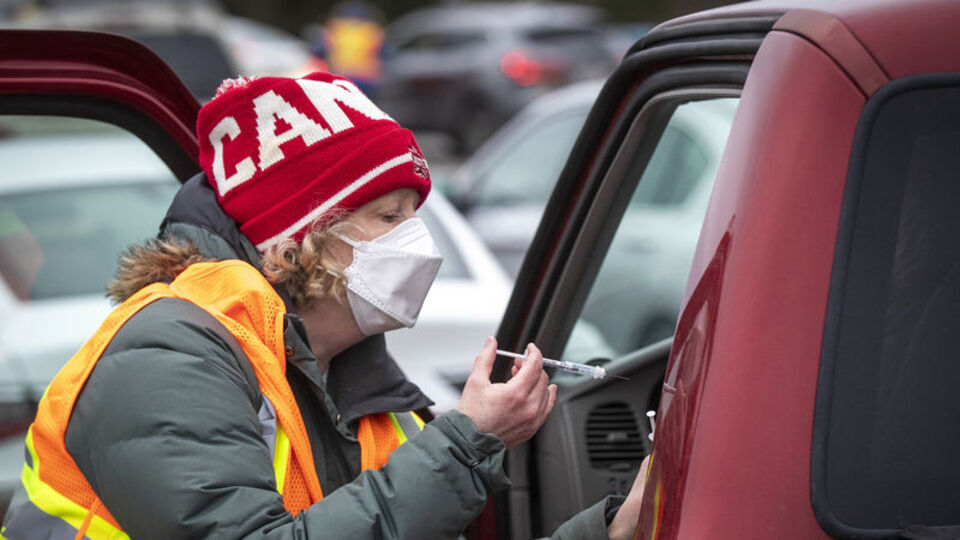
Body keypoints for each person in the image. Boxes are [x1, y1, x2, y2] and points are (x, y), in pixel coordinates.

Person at [0, 72, 645, 539]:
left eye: (414, 215)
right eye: (387, 216)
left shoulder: (364, 391)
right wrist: (467, 442)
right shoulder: (166, 356)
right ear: (296, 240)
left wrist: (612, 530)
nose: (417, 244)